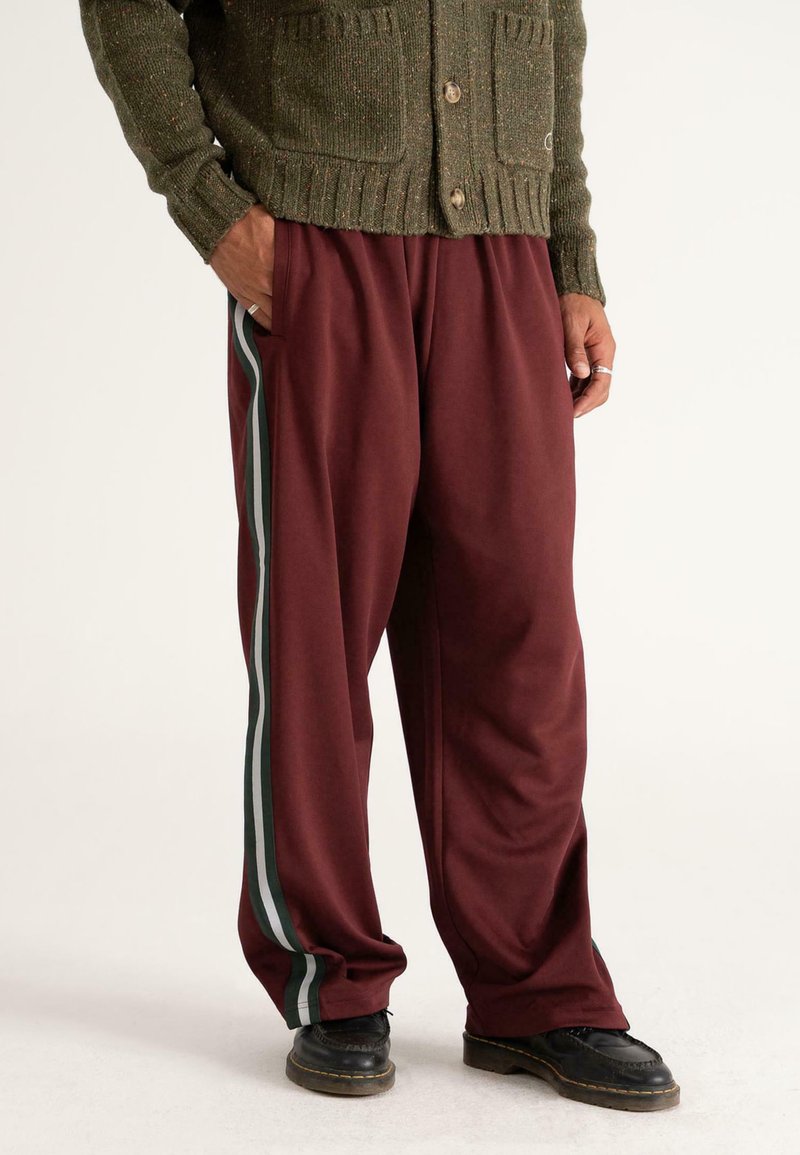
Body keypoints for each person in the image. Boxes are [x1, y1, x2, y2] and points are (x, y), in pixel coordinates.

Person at [78, 0, 679, 1111]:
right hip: (318, 245)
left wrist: (571, 255)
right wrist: (210, 207)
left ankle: (535, 991)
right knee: (316, 634)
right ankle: (333, 975)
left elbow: (550, 31)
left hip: (504, 257)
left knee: (521, 644)